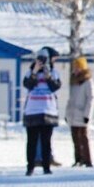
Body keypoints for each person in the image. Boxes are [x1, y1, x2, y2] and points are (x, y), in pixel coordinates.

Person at [23, 47, 62, 175]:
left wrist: (48, 76)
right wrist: (34, 71)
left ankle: (46, 166)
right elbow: (28, 85)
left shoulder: (53, 72)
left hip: (48, 111)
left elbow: (55, 87)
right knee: (32, 141)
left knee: (46, 141)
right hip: (32, 111)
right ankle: (30, 167)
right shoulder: (30, 72)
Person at [66, 57, 94, 167]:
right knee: (75, 138)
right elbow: (71, 99)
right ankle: (78, 159)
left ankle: (87, 160)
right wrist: (67, 114)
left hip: (82, 114)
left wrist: (87, 114)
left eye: (78, 67)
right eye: (75, 67)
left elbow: (91, 98)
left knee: (83, 138)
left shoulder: (88, 82)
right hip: (73, 115)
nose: (76, 69)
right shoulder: (73, 81)